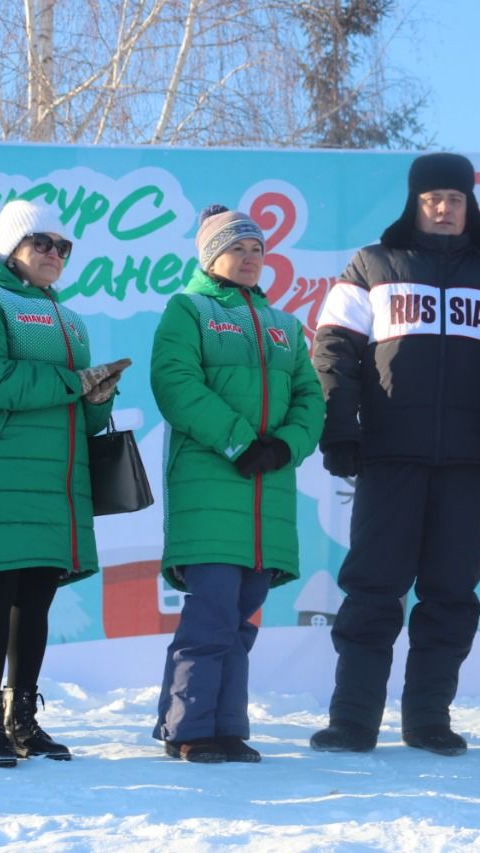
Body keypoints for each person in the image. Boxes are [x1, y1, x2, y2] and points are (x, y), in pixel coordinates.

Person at [309, 152, 480, 756]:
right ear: (414, 203)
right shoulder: (371, 265)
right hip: (390, 455)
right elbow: (334, 351)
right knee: (372, 589)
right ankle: (353, 720)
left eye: (456, 199)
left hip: (470, 461)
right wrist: (340, 428)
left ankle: (428, 719)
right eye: (432, 198)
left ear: (472, 205)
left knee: (450, 594)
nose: (444, 209)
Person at [0, 198, 131, 768]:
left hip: (61, 479)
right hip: (1, 472)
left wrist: (99, 398)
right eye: (42, 243)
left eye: (63, 246)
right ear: (12, 248)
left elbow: (80, 408)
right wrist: (73, 382)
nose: (55, 254)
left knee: (37, 599)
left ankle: (21, 719)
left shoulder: (69, 317)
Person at [150, 205, 322, 763]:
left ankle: (226, 727)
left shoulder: (285, 325)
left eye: (257, 250)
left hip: (266, 496)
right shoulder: (188, 310)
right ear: (210, 255)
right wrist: (238, 440)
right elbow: (175, 383)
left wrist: (284, 446)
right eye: (237, 248)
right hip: (210, 486)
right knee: (211, 612)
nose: (250, 259)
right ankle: (188, 729)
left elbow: (310, 398)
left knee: (242, 616)